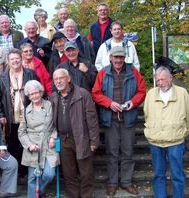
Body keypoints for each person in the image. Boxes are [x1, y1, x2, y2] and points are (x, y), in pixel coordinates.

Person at [91, 46, 146, 196]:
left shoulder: (133, 71)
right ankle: (112, 183)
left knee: (128, 151)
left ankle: (127, 182)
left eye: (121, 57)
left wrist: (133, 102)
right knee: (112, 153)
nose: (118, 60)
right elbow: (95, 93)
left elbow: (142, 90)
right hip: (110, 119)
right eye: (116, 57)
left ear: (125, 58)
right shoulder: (103, 72)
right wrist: (109, 103)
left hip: (128, 118)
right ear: (110, 57)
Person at [50, 68, 99, 198]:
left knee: (85, 172)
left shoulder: (82, 94)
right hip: (63, 140)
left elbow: (92, 119)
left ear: (68, 79)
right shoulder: (53, 97)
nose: (59, 81)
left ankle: (86, 195)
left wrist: (94, 141)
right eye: (56, 79)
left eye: (61, 78)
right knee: (68, 173)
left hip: (81, 138)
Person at [144, 66, 189, 197]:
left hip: (175, 140)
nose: (160, 83)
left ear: (170, 78)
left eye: (163, 79)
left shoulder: (182, 93)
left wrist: (184, 131)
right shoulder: (151, 93)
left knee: (177, 174)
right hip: (155, 141)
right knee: (158, 175)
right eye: (157, 80)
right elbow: (146, 113)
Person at [0, 49, 37, 177]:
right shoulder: (2, 77)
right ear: (8, 61)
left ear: (21, 58)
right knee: (13, 144)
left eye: (17, 58)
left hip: (28, 117)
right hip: (10, 117)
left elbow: (38, 93)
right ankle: (16, 172)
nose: (15, 61)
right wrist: (1, 115)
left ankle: (27, 170)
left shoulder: (30, 74)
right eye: (12, 59)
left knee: (27, 143)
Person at [18, 80, 59, 198]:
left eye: (36, 92)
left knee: (49, 174)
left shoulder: (50, 105)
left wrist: (53, 136)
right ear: (28, 96)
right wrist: (29, 145)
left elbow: (58, 124)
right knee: (32, 178)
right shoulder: (26, 111)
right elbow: (21, 132)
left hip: (48, 145)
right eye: (31, 94)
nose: (35, 96)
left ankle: (39, 191)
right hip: (33, 147)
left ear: (41, 92)